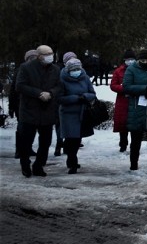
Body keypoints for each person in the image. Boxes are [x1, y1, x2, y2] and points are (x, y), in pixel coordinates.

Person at [16, 45, 62, 177]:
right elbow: (20, 86)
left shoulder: (55, 69)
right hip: (30, 110)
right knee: (26, 141)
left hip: (47, 110)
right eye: (47, 54)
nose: (50, 56)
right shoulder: (26, 68)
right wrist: (38, 93)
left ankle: (39, 165)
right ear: (39, 56)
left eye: (51, 53)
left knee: (46, 142)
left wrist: (51, 93)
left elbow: (59, 86)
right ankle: (25, 164)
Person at [57, 58, 97, 174]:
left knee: (77, 139)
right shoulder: (62, 79)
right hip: (68, 114)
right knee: (71, 139)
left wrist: (84, 96)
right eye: (73, 69)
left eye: (77, 69)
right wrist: (76, 98)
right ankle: (72, 163)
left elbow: (92, 93)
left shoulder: (85, 78)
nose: (76, 71)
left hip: (83, 113)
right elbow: (59, 98)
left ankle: (72, 159)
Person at [110, 49, 136, 152]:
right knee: (123, 124)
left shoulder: (138, 70)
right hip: (123, 100)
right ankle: (123, 144)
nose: (130, 61)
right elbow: (113, 85)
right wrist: (123, 88)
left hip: (135, 99)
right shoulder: (118, 71)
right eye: (128, 59)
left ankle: (135, 144)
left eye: (132, 59)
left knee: (135, 124)